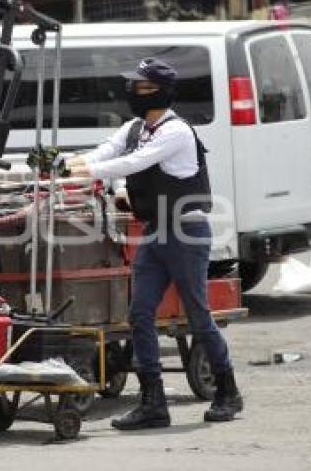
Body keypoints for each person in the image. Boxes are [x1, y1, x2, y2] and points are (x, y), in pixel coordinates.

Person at [65, 58, 243, 429]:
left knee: (197, 315)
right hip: (154, 233)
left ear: (161, 90)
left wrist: (84, 172)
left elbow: (132, 164)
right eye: (134, 87)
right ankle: (153, 402)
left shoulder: (175, 132)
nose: (134, 93)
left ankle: (228, 391)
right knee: (140, 314)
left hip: (185, 232)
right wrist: (66, 163)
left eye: (142, 87)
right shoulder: (135, 127)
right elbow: (106, 152)